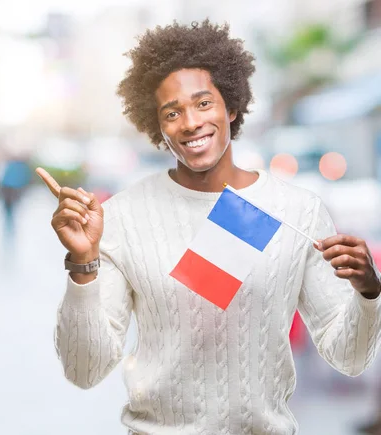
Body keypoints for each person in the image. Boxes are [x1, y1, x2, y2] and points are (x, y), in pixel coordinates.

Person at [36, 20, 381, 434]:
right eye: (172, 112)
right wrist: (82, 264)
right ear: (158, 127)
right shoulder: (124, 217)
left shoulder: (295, 210)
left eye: (203, 103)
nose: (190, 122)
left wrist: (369, 293)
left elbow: (349, 357)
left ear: (231, 107)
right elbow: (84, 370)